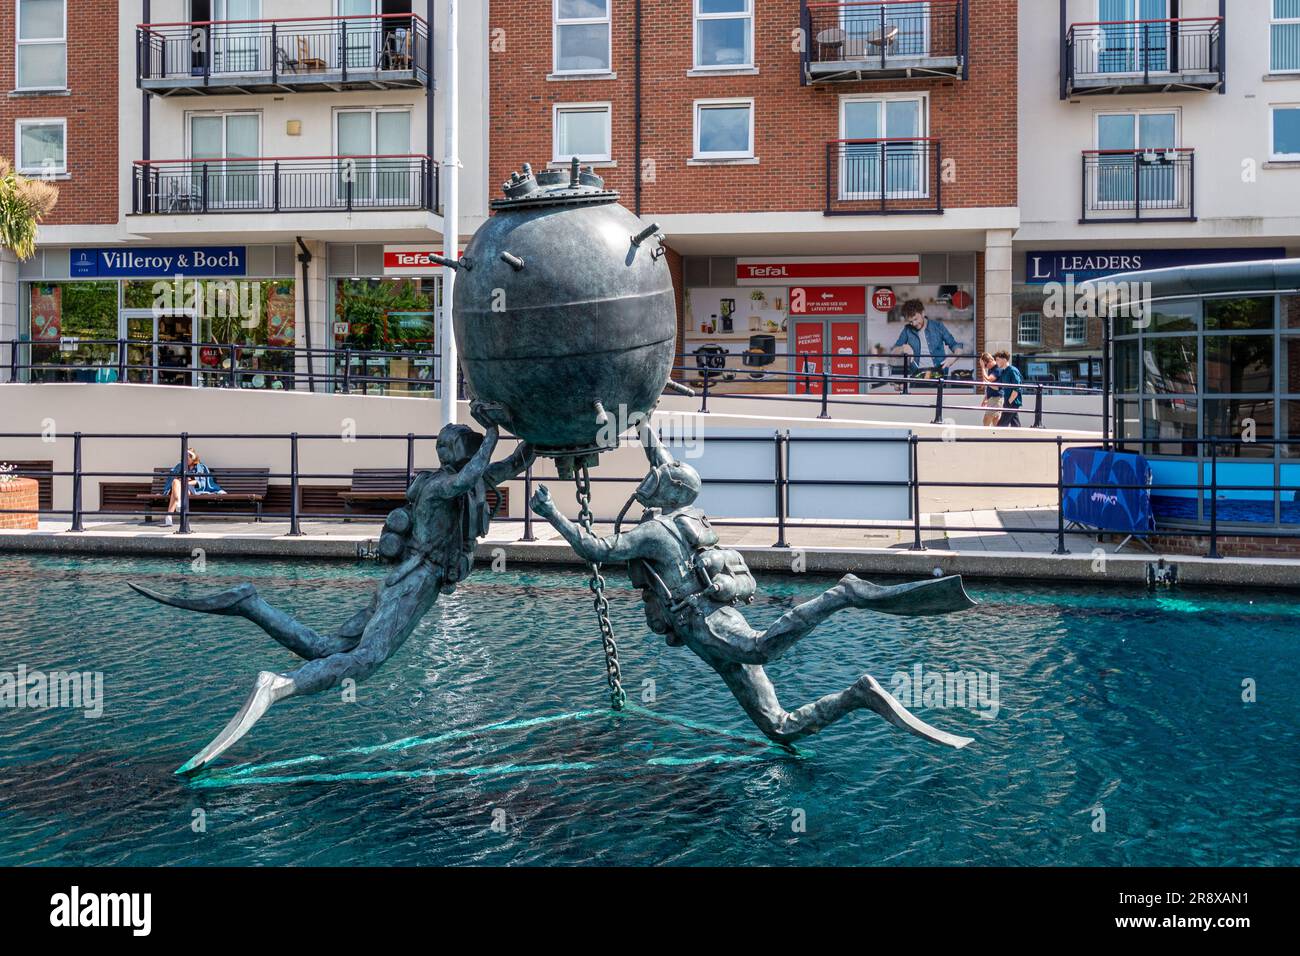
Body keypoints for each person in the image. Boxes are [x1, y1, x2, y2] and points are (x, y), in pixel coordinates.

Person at [131, 401, 536, 774]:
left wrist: (540, 438)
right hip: (412, 584)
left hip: (401, 584)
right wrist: (495, 433)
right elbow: (468, 477)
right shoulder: (437, 488)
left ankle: (250, 604)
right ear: (462, 453)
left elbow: (510, 466)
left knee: (327, 650)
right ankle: (279, 687)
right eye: (475, 446)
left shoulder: (469, 483)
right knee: (367, 661)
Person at [530, 421, 976, 750]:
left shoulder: (653, 531)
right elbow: (661, 457)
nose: (647, 481)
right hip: (708, 630)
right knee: (778, 726)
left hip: (706, 624)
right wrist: (641, 415)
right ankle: (859, 695)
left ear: (664, 490)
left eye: (655, 479)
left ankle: (843, 594)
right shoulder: (686, 513)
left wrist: (552, 513)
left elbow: (595, 549)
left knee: (762, 647)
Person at [890, 299, 963, 377]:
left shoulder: (938, 326)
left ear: (923, 313)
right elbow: (893, 353)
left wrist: (953, 358)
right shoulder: (907, 330)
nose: (914, 324)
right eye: (910, 321)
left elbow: (956, 346)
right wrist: (903, 348)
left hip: (938, 374)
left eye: (915, 319)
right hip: (916, 375)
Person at [165, 447, 225, 527]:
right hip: (179, 487)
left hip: (192, 489)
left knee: (180, 487)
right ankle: (178, 502)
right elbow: (173, 478)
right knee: (176, 482)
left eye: (188, 458)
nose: (185, 460)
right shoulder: (180, 466)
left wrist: (186, 481)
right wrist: (181, 479)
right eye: (184, 458)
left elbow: (200, 482)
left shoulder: (200, 467)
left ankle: (169, 514)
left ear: (193, 458)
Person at [993, 350, 1023, 427]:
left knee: (1001, 425)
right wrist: (986, 382)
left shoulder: (1012, 370)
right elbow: (999, 387)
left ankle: (995, 438)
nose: (996, 362)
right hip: (1009, 401)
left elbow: (1017, 388)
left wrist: (1009, 402)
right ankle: (1020, 438)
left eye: (998, 360)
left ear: (1004, 360)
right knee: (1015, 425)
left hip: (1012, 402)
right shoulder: (1004, 372)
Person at [977, 352, 1002, 427]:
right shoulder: (991, 369)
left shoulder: (997, 369)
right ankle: (997, 438)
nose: (986, 367)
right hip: (993, 399)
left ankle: (986, 438)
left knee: (986, 421)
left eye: (985, 364)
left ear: (990, 360)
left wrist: (982, 367)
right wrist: (985, 398)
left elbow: (988, 379)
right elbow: (988, 384)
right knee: (995, 423)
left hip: (996, 398)